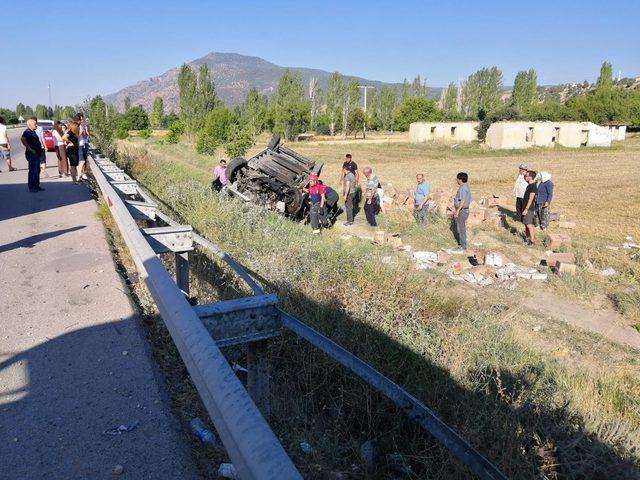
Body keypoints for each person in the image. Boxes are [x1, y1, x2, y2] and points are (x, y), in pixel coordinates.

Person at [20, 118, 45, 192]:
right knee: (33, 170)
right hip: (32, 154)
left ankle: (36, 186)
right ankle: (32, 187)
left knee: (37, 170)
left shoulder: (32, 131)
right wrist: (30, 148)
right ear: (29, 125)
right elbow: (23, 139)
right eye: (35, 124)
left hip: (36, 153)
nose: (36, 125)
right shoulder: (27, 132)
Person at [453, 172, 471, 251]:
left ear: (460, 179)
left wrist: (457, 211)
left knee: (461, 229)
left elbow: (462, 201)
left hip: (462, 211)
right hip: (463, 210)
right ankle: (462, 244)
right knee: (460, 228)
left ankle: (463, 247)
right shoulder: (465, 186)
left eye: (457, 178)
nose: (456, 180)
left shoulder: (463, 188)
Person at [522, 170, 538, 245]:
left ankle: (532, 241)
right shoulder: (529, 185)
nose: (525, 177)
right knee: (526, 224)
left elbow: (531, 199)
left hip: (529, 209)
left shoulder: (533, 186)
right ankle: (529, 237)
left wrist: (526, 209)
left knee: (529, 224)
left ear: (530, 177)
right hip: (526, 208)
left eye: (526, 176)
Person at [77, 113, 90, 180]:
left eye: (83, 119)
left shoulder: (85, 126)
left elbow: (88, 135)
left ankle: (83, 174)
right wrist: (80, 132)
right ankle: (79, 176)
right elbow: (76, 137)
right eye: (81, 119)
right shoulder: (77, 126)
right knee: (82, 161)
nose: (82, 120)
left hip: (85, 144)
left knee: (85, 160)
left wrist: (87, 131)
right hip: (80, 145)